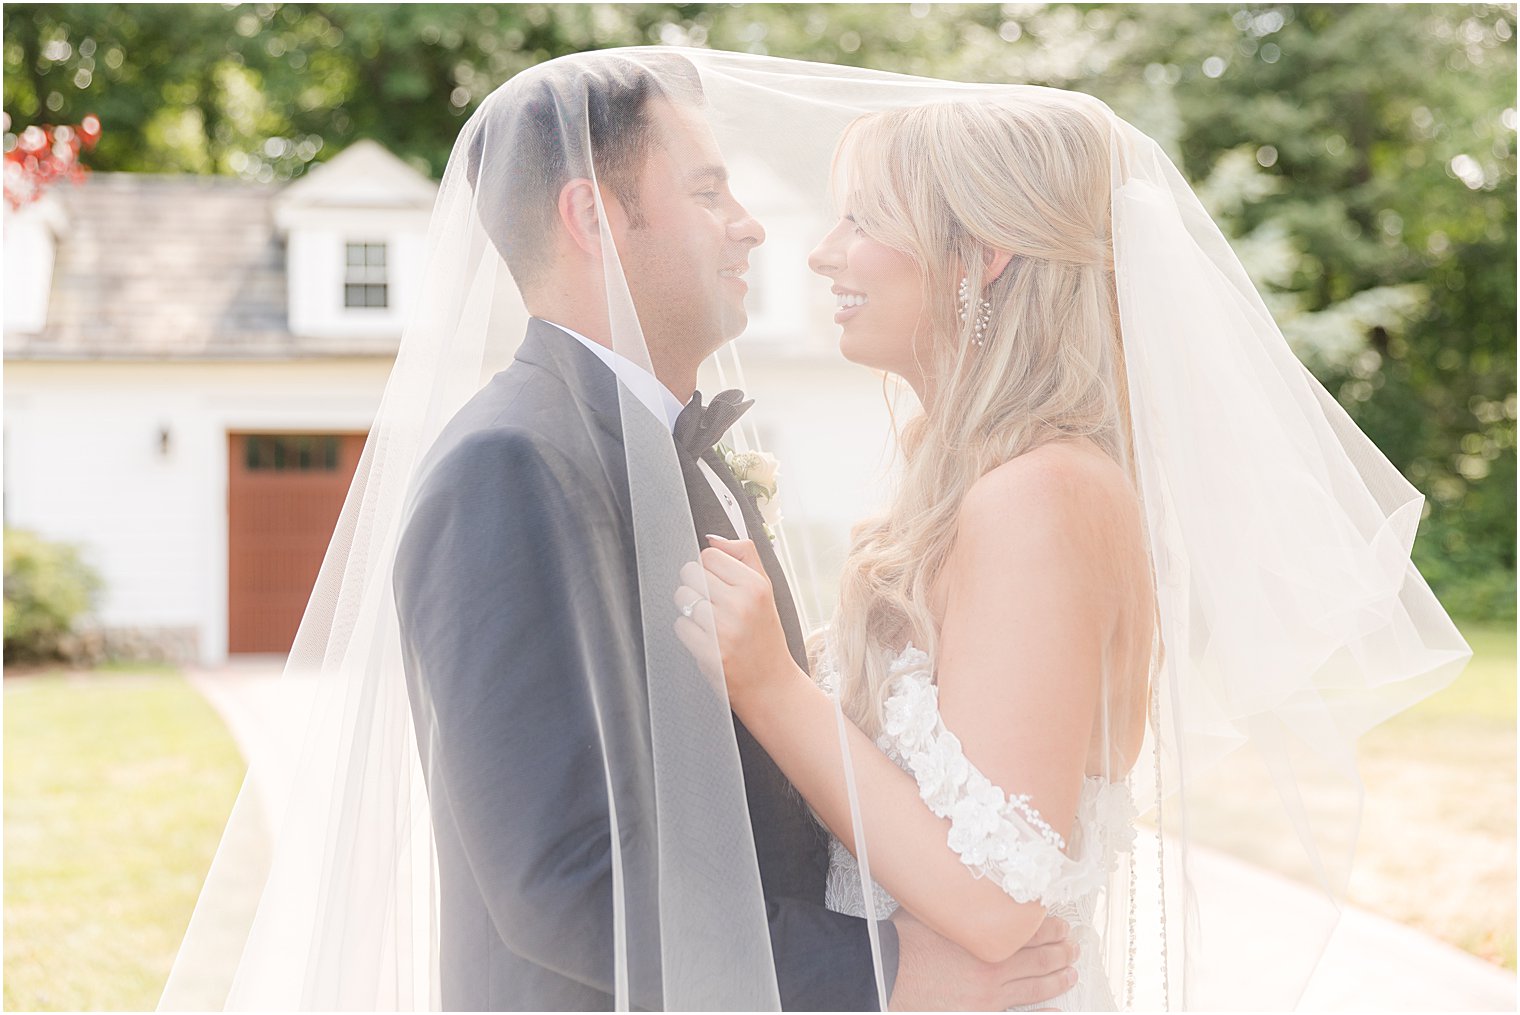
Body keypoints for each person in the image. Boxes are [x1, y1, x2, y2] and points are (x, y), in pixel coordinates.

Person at [676, 89, 1472, 1010]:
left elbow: (1001, 895)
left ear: (984, 252)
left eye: (863, 217)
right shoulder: (982, 480)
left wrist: (773, 686)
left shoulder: (1042, 494)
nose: (821, 250)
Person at [391, 54, 1076, 1011]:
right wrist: (880, 971)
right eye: (710, 191)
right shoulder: (511, 466)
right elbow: (563, 875)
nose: (752, 226)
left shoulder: (676, 448)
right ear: (593, 217)